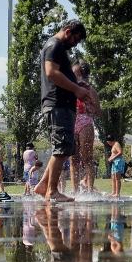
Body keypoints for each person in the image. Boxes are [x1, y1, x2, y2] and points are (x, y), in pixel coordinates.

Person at [33, 19, 89, 202]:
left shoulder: (57, 48)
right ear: (67, 31)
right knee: (61, 148)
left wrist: (75, 83)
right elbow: (51, 72)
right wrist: (76, 89)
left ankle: (43, 185)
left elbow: (59, 74)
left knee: (64, 148)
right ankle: (52, 191)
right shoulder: (54, 45)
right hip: (58, 105)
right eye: (76, 39)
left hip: (62, 105)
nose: (76, 44)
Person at [70, 58, 101, 193]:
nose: (76, 78)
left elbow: (98, 112)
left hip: (85, 121)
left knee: (88, 157)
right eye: (74, 75)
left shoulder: (90, 90)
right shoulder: (70, 89)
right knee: (73, 159)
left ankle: (89, 190)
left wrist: (87, 105)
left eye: (78, 75)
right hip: (72, 122)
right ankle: (75, 190)